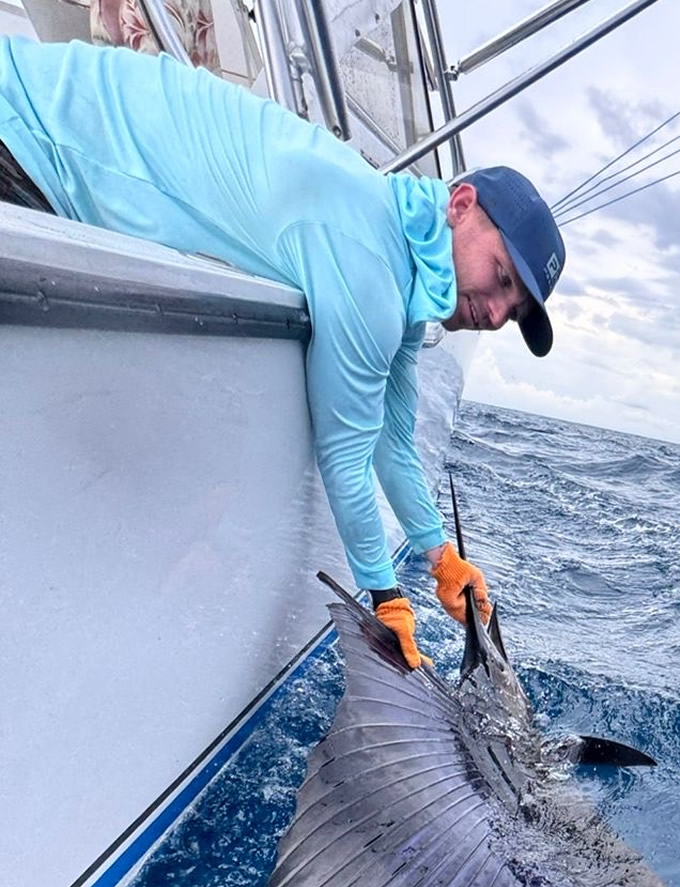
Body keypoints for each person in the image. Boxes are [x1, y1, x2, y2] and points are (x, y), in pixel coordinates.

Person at [0, 35, 567, 670]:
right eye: (502, 279)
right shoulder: (369, 262)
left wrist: (442, 557)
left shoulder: (403, 261)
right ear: (461, 206)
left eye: (513, 311)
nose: (494, 313)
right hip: (27, 134)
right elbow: (345, 449)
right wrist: (385, 599)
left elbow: (393, 442)